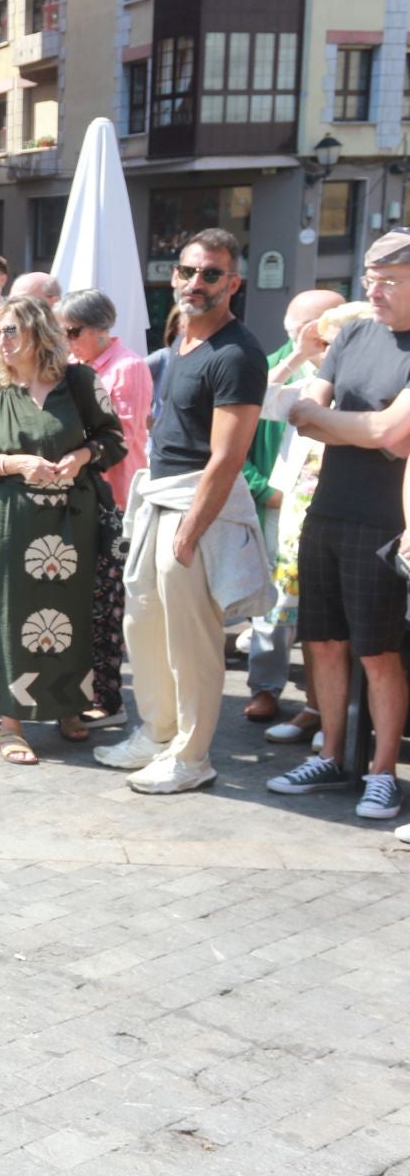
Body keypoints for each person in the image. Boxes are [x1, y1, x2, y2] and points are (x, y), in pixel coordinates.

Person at [94, 229, 268, 793]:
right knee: (142, 622)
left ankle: (192, 756)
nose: (197, 283)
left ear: (233, 284)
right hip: (158, 497)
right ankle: (158, 731)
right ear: (173, 276)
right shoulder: (180, 346)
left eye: (211, 274)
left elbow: (228, 456)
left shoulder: (237, 354)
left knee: (191, 640)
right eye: (188, 271)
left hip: (194, 504)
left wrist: (191, 532)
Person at [264, 231, 410, 819]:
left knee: (378, 652)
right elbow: (303, 414)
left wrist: (342, 423)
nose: (374, 291)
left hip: (386, 520)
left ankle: (382, 772)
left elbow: (391, 433)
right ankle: (329, 756)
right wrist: (360, 428)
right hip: (326, 508)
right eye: (370, 280)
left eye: (390, 281)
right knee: (321, 641)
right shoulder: (352, 333)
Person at [0, 297, 127, 766]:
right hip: (11, 522)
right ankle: (9, 722)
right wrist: (16, 463)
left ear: (38, 332)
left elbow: (114, 439)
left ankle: (67, 705)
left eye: (11, 330)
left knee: (69, 614)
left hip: (72, 520)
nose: (2, 341)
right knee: (12, 615)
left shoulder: (80, 381)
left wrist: (80, 457)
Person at [257, 299, 366, 750]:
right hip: (300, 517)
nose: (326, 347)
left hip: (353, 516)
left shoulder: (369, 385)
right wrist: (298, 355)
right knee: (312, 623)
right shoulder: (312, 383)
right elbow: (261, 400)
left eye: (332, 340)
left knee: (346, 629)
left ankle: (346, 720)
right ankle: (317, 709)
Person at [241, 289, 346, 726]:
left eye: (310, 326)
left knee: (328, 611)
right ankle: (266, 687)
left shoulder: (353, 365)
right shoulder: (281, 364)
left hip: (340, 506)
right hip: (285, 504)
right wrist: (265, 491)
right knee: (277, 600)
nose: (300, 335)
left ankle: (326, 706)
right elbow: (254, 404)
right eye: (294, 327)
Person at [60, 289, 154, 728]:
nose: (66, 340)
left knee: (106, 604)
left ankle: (108, 700)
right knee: (84, 601)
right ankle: (80, 691)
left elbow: (123, 436)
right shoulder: (78, 366)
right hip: (83, 498)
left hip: (114, 500)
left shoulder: (128, 367)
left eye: (72, 331)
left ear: (100, 330)